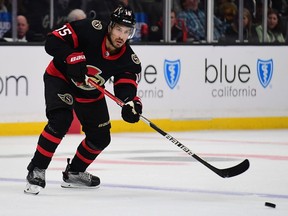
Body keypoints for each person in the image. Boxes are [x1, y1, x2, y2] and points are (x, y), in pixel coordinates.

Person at [24, 4, 142, 195]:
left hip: (89, 90)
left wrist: (131, 103)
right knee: (61, 120)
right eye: (119, 29)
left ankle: (75, 172)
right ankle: (37, 168)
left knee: (101, 137)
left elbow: (125, 87)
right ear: (110, 26)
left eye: (127, 31)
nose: (122, 36)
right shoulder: (90, 29)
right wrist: (71, 56)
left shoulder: (129, 59)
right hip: (60, 78)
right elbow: (52, 41)